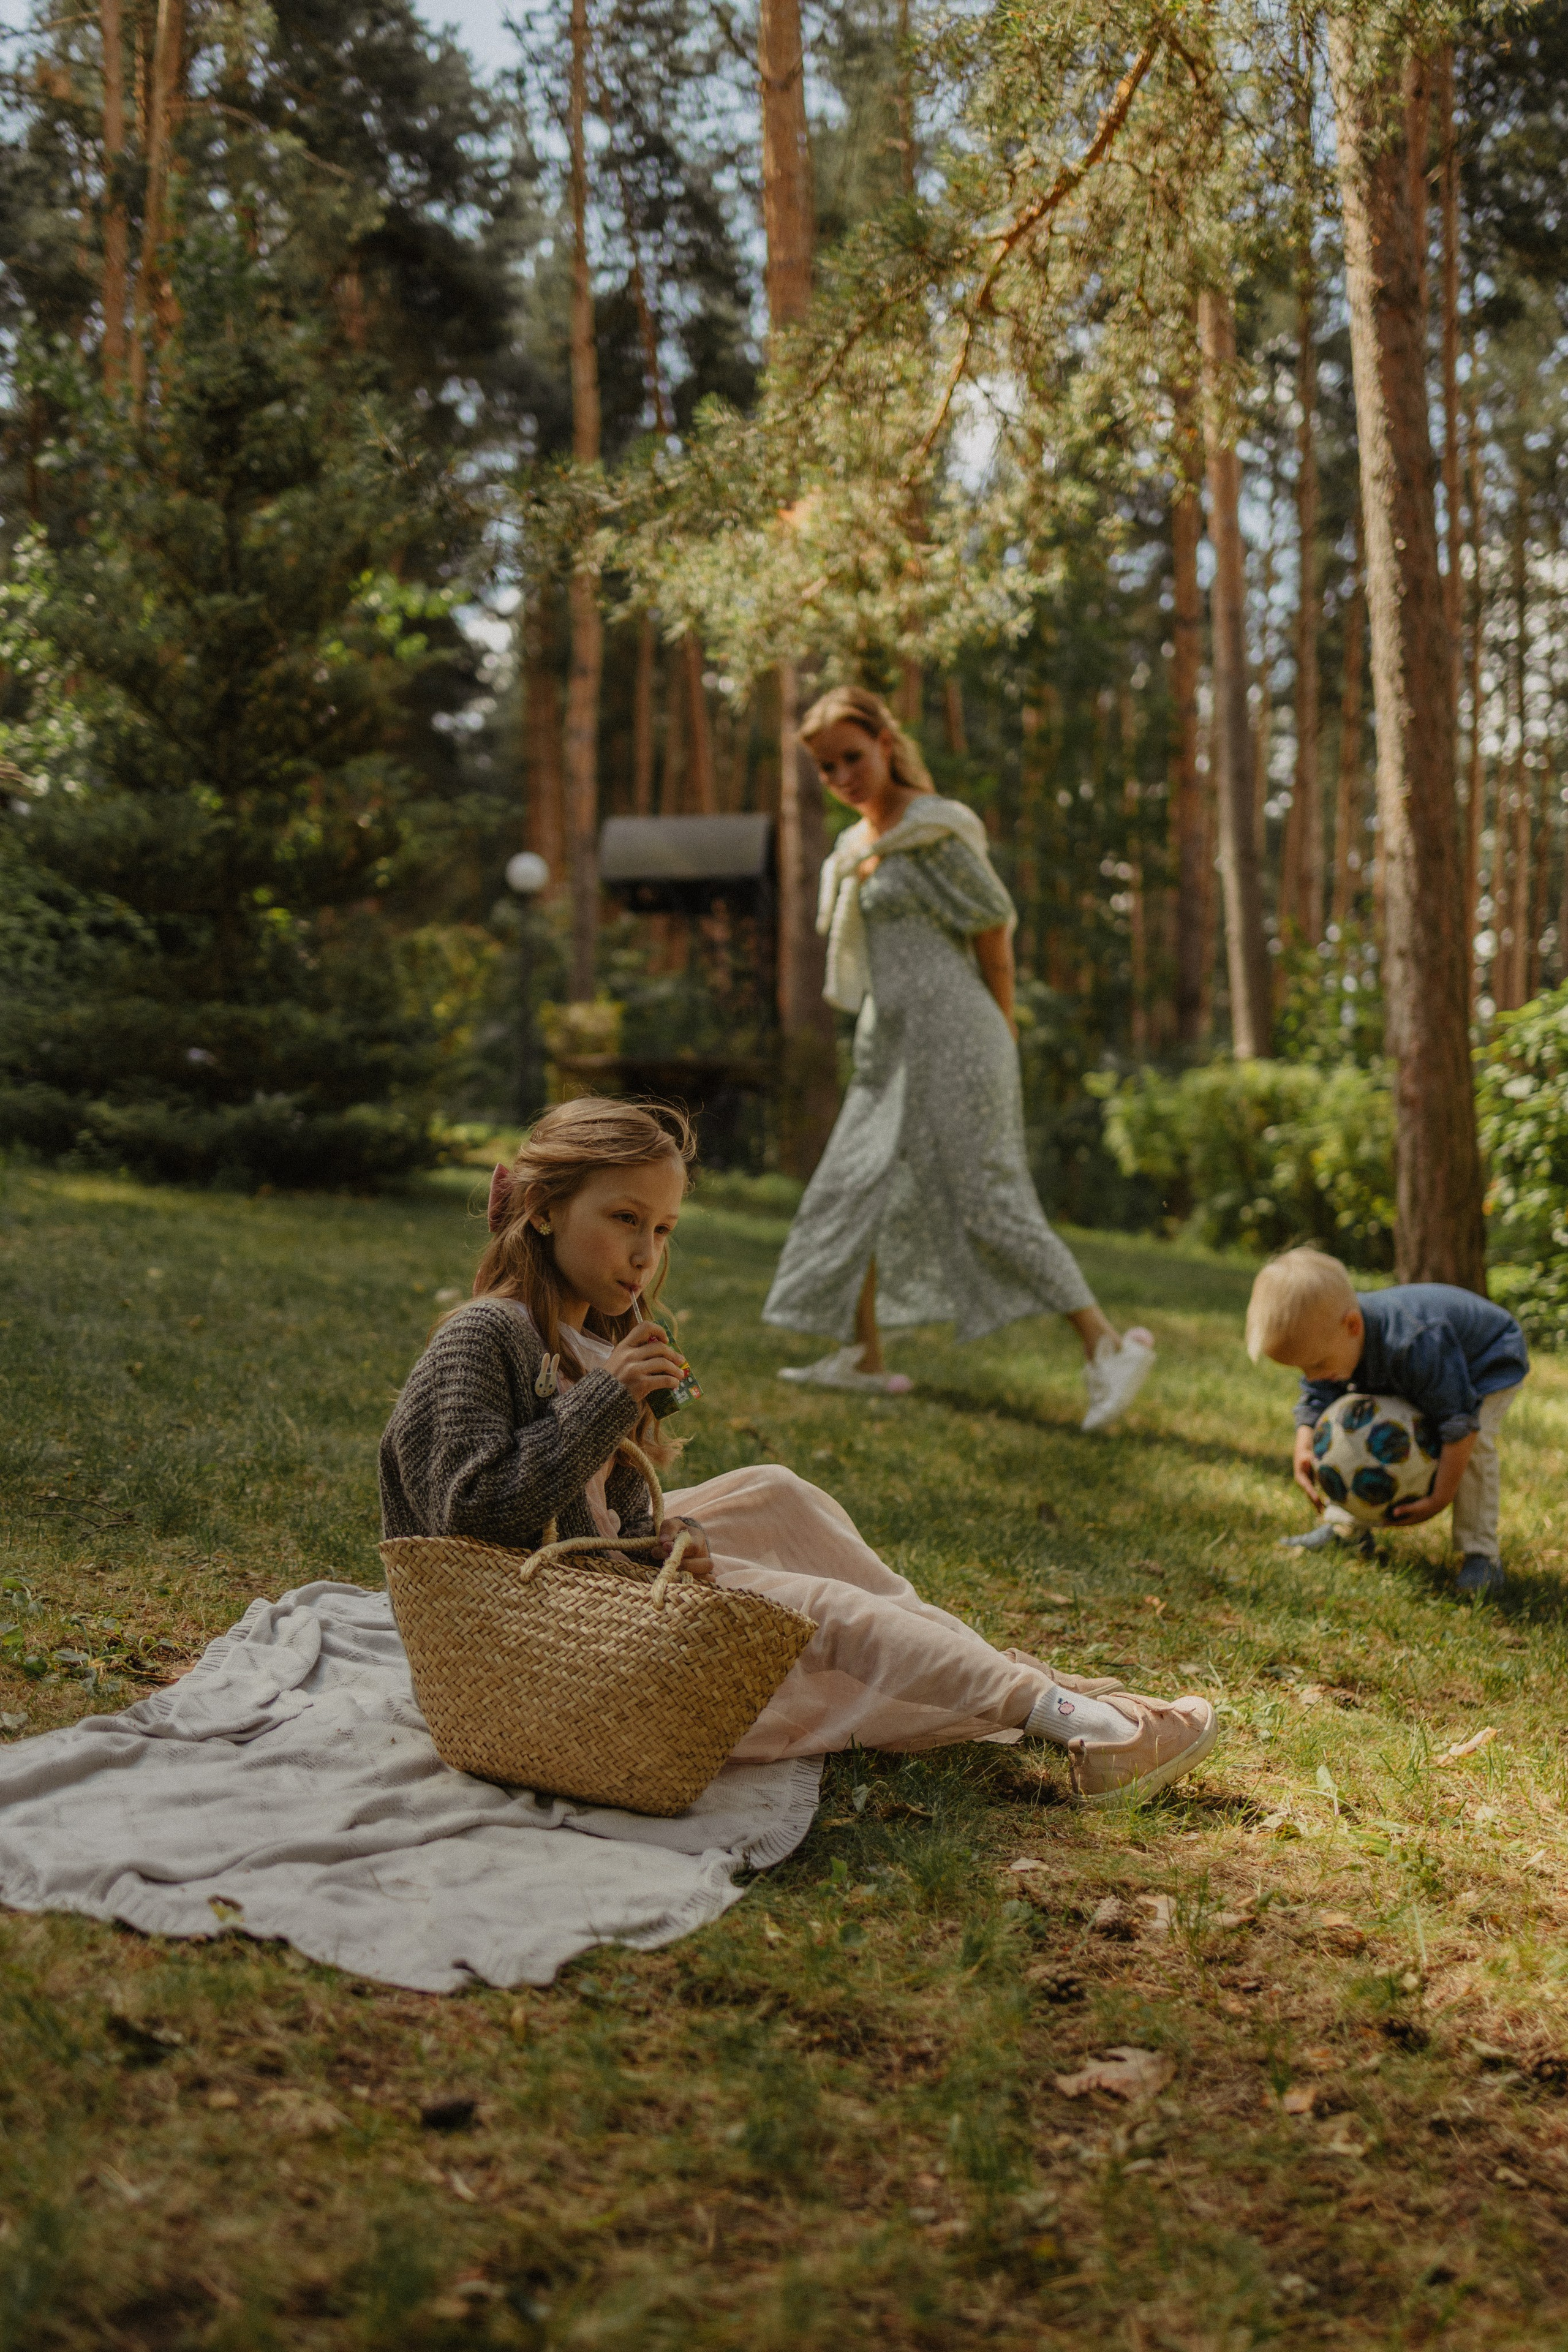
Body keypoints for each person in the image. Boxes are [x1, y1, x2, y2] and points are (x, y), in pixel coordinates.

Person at [380, 1096, 1217, 1803]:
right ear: (546, 1207)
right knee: (817, 1609)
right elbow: (473, 1517)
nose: (645, 1253)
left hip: (587, 1586)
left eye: (663, 1228)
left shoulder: (603, 1336)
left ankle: (1001, 1672)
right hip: (528, 1644)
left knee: (778, 1493)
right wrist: (609, 1399)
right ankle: (1093, 1732)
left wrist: (671, 1548)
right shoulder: (484, 1336)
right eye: (624, 1219)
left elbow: (619, 1511)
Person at [763, 683, 1156, 1431]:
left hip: (958, 1033)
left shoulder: (935, 829)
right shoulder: (855, 848)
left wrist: (1002, 1029)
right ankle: (863, 1356)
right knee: (856, 1186)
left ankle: (1106, 1347)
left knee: (988, 1197)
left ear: (885, 743)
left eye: (851, 757)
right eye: (825, 768)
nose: (841, 776)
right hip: (889, 1040)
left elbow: (994, 926)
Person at [1246, 1246, 1530, 1598]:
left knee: (1475, 1448)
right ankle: (1348, 1531)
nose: (1314, 1376)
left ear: (1353, 1325)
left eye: (1318, 1365)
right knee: (1357, 1425)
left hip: (1486, 1359)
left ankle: (1481, 1555)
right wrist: (1304, 1442)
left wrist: (1441, 1496)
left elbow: (1460, 1423)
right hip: (1432, 1368)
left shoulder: (1412, 1344)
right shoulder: (1338, 1337)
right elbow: (1317, 1395)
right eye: (1304, 1370)